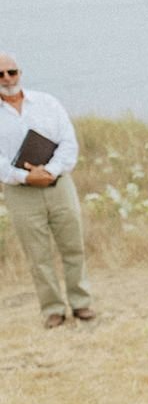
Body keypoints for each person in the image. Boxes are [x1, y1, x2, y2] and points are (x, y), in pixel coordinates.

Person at [0, 52, 96, 329]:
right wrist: (25, 177)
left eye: (12, 72)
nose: (7, 79)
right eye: (1, 74)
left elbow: (68, 142)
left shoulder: (47, 103)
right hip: (19, 193)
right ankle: (53, 309)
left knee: (72, 246)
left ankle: (81, 303)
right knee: (38, 254)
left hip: (59, 184)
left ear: (20, 73)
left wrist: (49, 172)